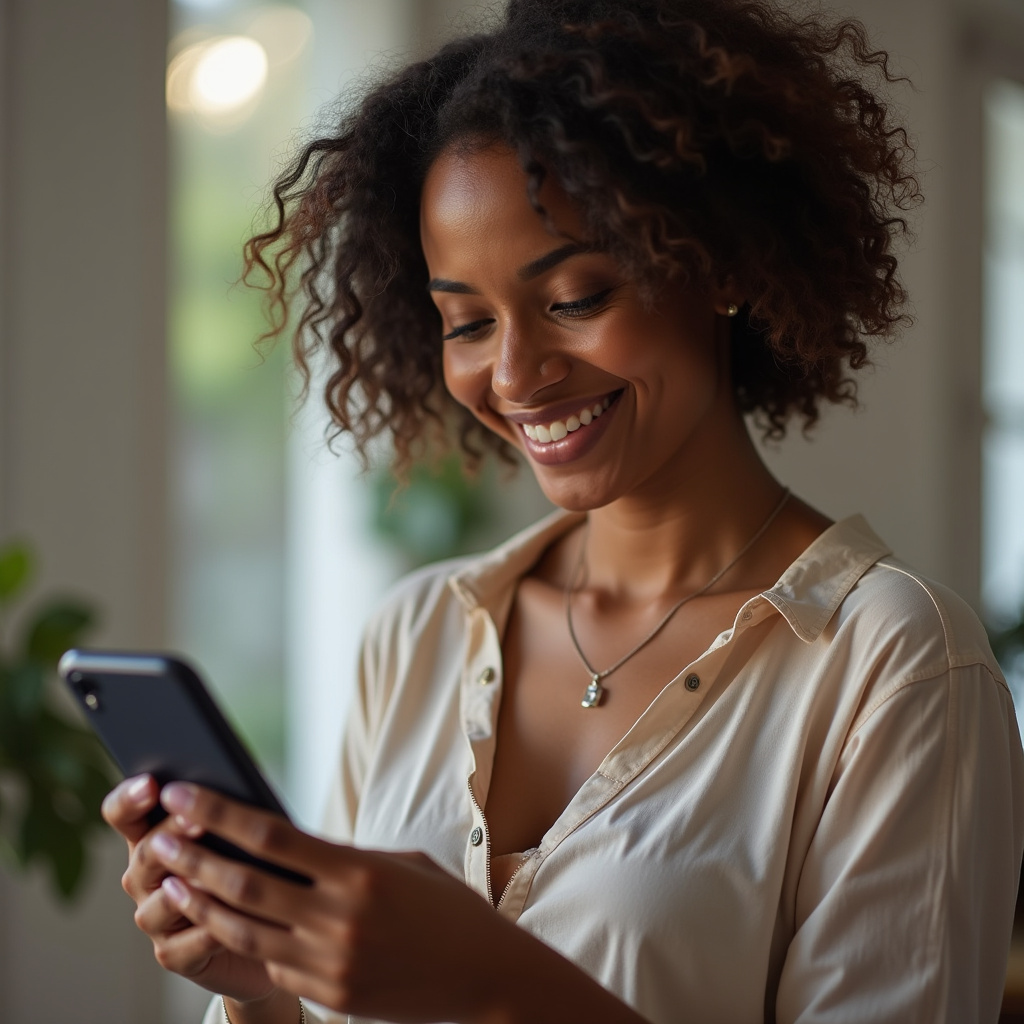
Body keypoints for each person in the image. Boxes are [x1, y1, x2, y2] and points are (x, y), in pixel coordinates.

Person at [103, 1, 1024, 1022]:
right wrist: (271, 983)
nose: (514, 374)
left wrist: (491, 979)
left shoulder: (891, 664)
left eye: (575, 298)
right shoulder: (418, 635)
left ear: (718, 265)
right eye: (465, 321)